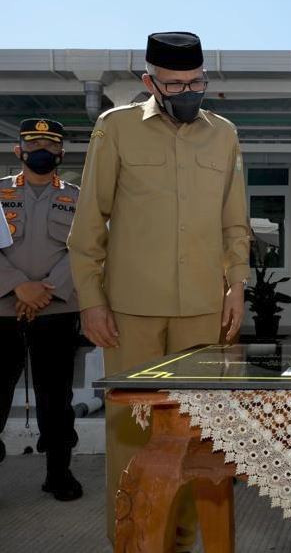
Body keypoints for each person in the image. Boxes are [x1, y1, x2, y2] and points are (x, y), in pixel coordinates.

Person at [68, 31, 251, 551]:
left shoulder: (224, 135)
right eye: (175, 84)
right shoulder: (116, 128)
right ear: (150, 82)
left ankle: (182, 540)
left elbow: (234, 221)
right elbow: (89, 223)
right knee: (131, 436)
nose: (188, 92)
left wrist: (235, 286)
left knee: (197, 438)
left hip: (202, 312)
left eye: (197, 82)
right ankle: (131, 540)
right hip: (130, 313)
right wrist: (91, 299)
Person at [0, 118, 82, 500]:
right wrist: (19, 285)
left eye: (50, 144)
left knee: (56, 396)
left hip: (57, 311)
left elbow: (83, 251)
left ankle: (59, 473)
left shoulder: (77, 198)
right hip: (3, 310)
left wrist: (44, 293)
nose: (42, 150)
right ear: (19, 150)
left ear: (61, 152)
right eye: (33, 143)